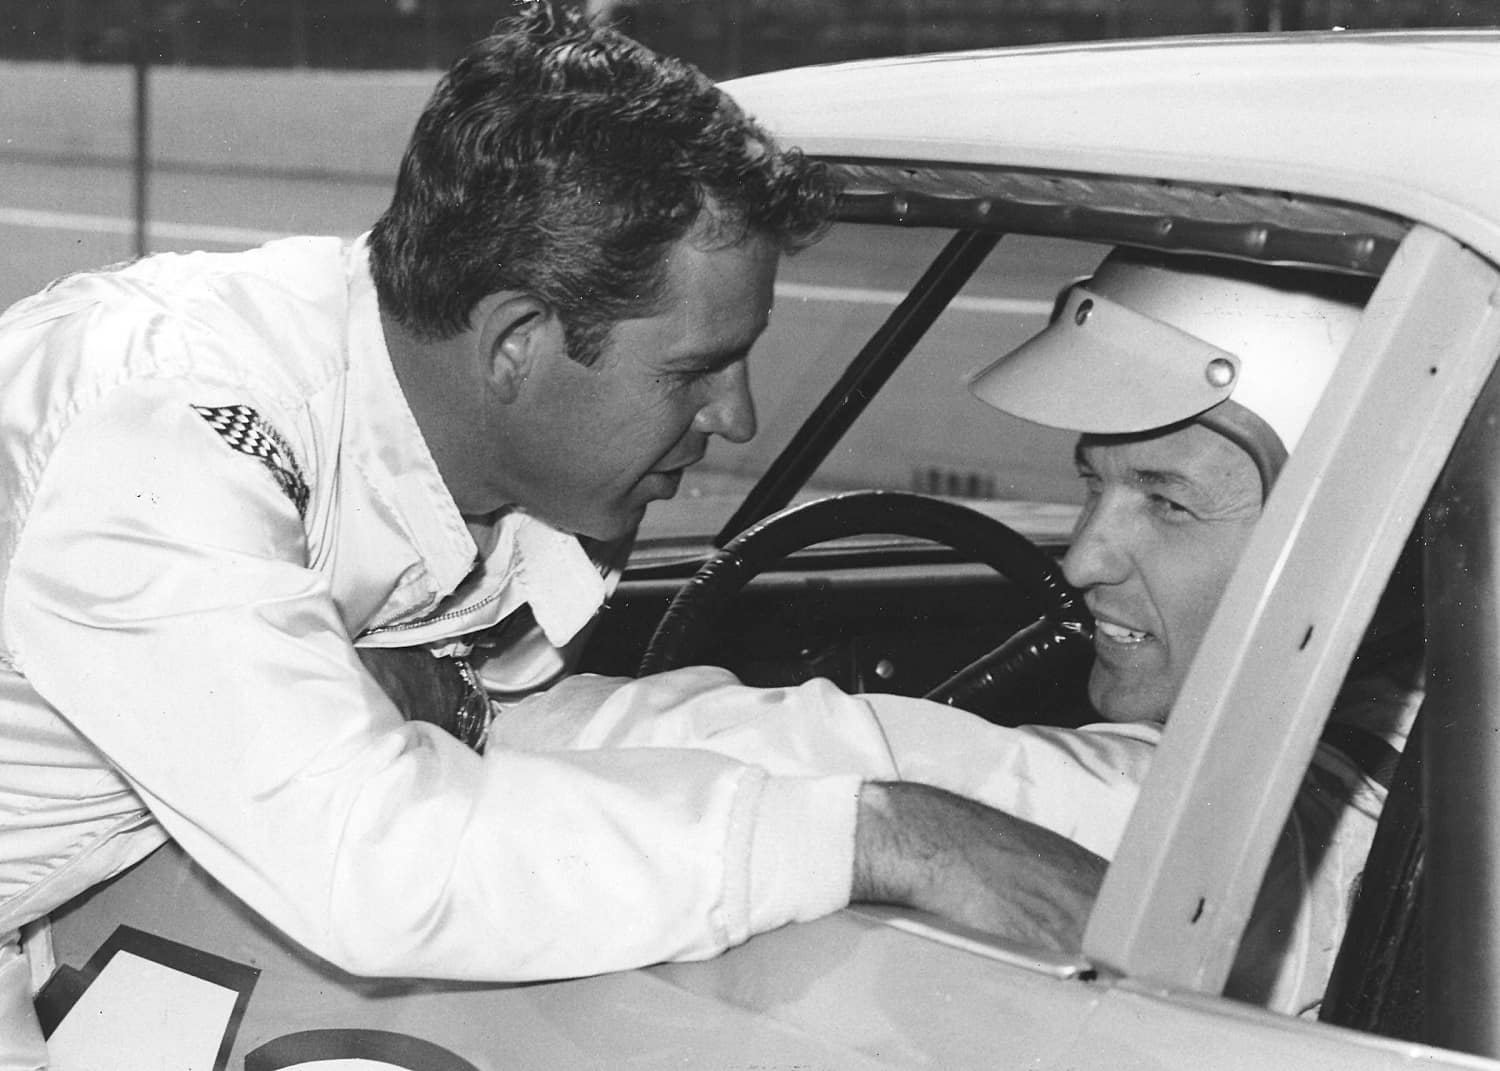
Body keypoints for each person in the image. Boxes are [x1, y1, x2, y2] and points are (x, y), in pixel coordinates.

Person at [0, 6, 1100, 1063]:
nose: (737, 418)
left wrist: (1063, 802)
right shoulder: (175, 428)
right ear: (517, 344)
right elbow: (376, 863)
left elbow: (542, 729)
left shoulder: (457, 434)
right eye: (692, 371)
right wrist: (874, 839)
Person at [492, 246, 1418, 1016]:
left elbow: (938, 771)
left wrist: (481, 717)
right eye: (1093, 482)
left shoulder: (1327, 833)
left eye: (1167, 502)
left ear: (1355, 534)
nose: (1085, 556)